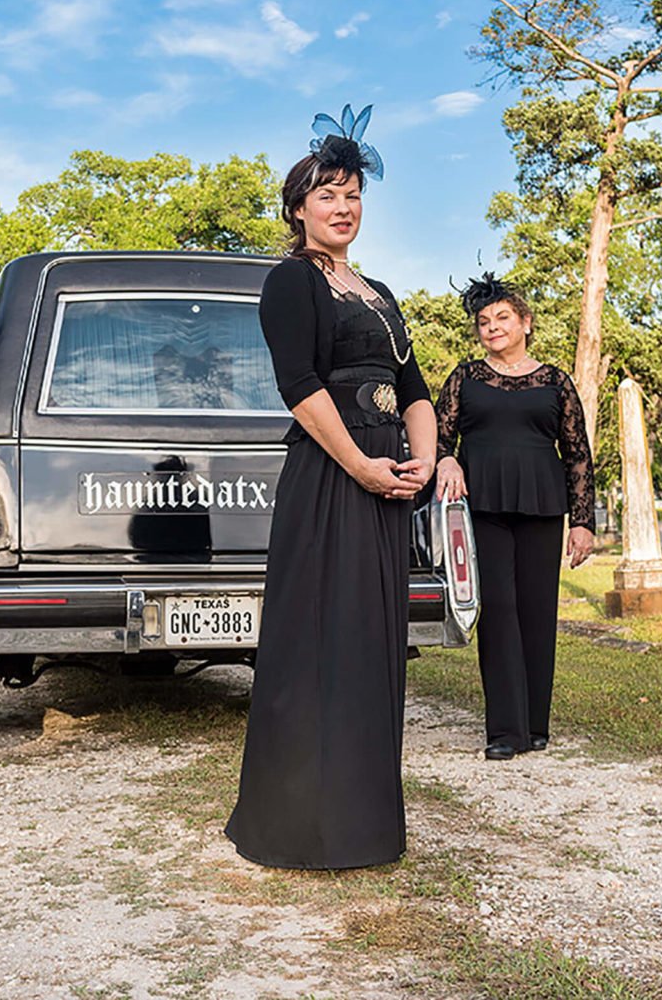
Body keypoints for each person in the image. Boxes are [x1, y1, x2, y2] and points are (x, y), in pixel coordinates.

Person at [226, 106, 436, 870]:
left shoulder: (378, 290)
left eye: (352, 194)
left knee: (374, 640)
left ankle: (366, 822)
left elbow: (413, 386)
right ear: (298, 210)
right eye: (326, 195)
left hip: (388, 482)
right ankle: (299, 825)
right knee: (321, 640)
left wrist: (420, 461)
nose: (343, 206)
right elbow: (300, 386)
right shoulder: (290, 281)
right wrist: (361, 465)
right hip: (330, 477)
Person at [434, 274, 595, 761]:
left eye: (502, 317)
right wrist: (446, 459)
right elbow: (439, 437)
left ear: (525, 322)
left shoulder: (555, 381)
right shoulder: (465, 377)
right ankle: (505, 731)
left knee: (537, 613)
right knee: (499, 611)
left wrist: (583, 522)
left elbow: (578, 453)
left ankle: (535, 724)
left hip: (544, 506)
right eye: (483, 322)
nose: (492, 327)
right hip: (482, 506)